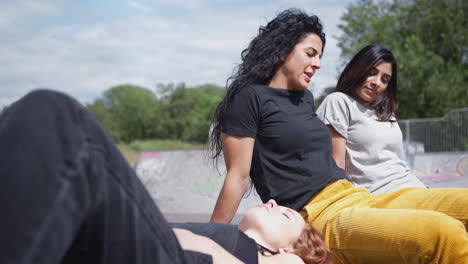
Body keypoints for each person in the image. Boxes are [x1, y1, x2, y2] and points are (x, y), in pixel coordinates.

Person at [209, 8, 468, 263]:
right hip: (320, 215)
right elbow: (238, 178)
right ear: (282, 50)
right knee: (443, 234)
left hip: (359, 196)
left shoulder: (304, 99)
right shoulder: (248, 98)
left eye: (319, 56)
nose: (318, 64)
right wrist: (210, 242)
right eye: (310, 54)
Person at [0, 89, 331, 264]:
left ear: (291, 249)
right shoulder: (236, 239)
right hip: (132, 246)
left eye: (288, 214)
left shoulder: (284, 262)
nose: (273, 201)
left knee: (58, 119)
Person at [315, 44, 426, 193]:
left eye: (385, 79)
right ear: (358, 69)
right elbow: (336, 166)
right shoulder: (339, 102)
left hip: (414, 186)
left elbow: (398, 162)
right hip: (381, 195)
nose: (377, 82)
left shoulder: (385, 113)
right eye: (371, 73)